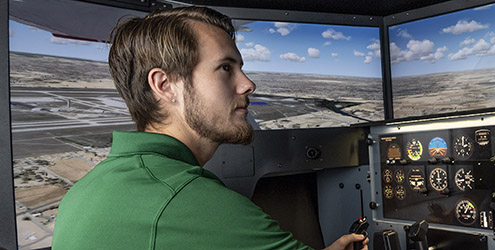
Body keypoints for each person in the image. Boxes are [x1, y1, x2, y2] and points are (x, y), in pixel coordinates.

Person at [52, 6, 367, 250]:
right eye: (225, 69)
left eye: (241, 68)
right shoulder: (192, 201)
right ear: (165, 86)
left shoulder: (85, 190)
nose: (247, 84)